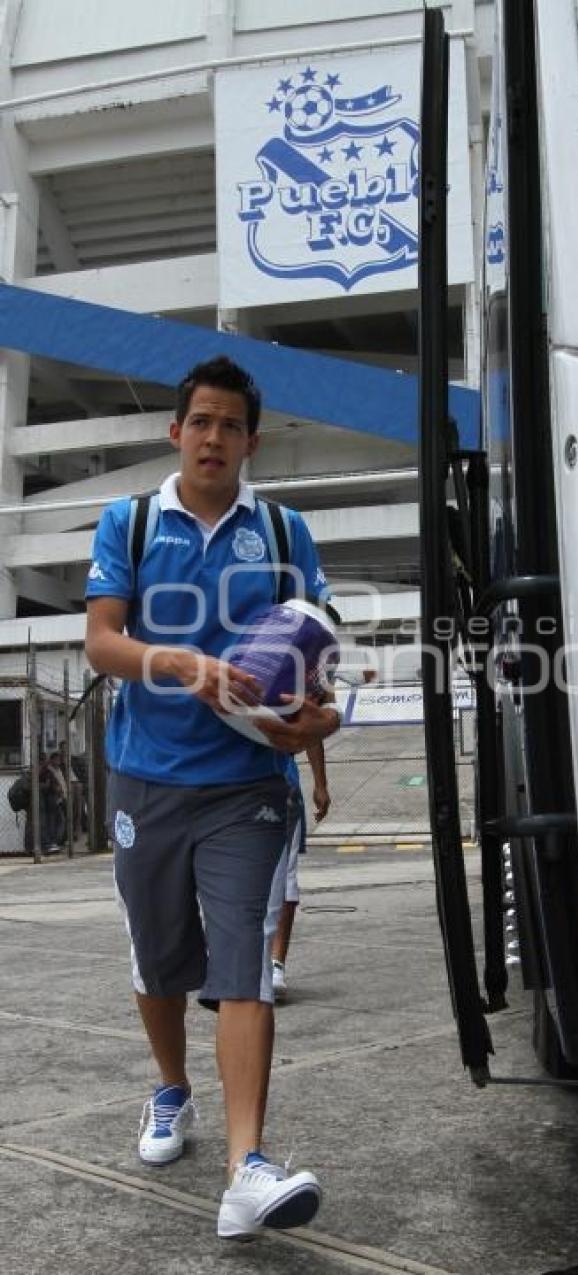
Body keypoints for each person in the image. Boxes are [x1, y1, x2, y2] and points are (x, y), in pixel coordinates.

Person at [84, 356, 340, 1240]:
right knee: (160, 960)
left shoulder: (280, 530)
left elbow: (324, 659)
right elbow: (101, 643)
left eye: (231, 425)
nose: (214, 438)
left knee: (243, 965)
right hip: (147, 778)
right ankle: (171, 1088)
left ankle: (246, 1167)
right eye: (201, 422)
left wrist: (321, 722)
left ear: (250, 441)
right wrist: (183, 664)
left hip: (248, 789)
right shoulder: (131, 520)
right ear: (176, 432)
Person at [271, 741, 330, 1002]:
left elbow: (313, 720)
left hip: (281, 786)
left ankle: (275, 965)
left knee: (284, 876)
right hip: (227, 788)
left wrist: (320, 783)